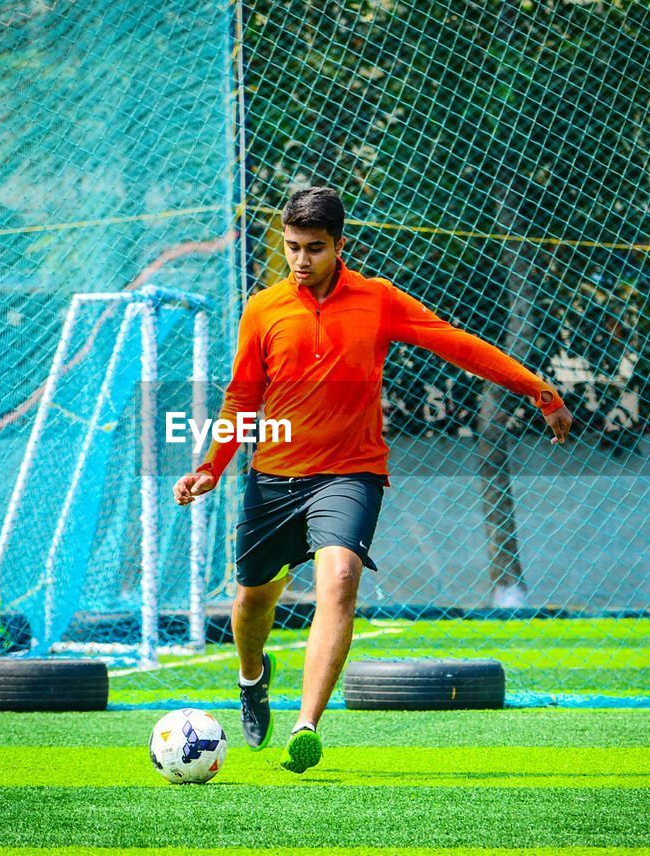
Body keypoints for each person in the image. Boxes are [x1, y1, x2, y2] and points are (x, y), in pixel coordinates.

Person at [172, 187, 572, 773]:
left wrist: (539, 390)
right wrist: (211, 467)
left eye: (314, 248)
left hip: (351, 472)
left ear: (340, 246)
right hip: (274, 477)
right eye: (291, 248)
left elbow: (457, 345)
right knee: (253, 601)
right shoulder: (263, 309)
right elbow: (242, 398)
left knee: (340, 576)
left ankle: (306, 726)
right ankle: (252, 677)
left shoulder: (378, 301)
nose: (301, 261)